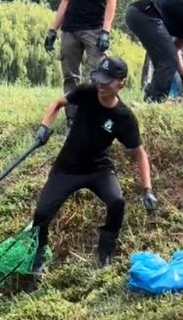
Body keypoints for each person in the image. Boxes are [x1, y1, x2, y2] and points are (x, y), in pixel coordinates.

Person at [26, 57, 158, 292]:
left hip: (99, 169)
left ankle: (104, 253)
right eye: (98, 78)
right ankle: (38, 258)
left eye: (107, 81)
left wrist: (147, 189)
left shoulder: (123, 117)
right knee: (41, 213)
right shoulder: (86, 92)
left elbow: (139, 154)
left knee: (117, 201)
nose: (101, 84)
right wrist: (44, 127)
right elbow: (57, 103)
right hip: (67, 167)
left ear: (121, 83)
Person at [44, 0, 120, 127]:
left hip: (94, 30)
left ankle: (94, 118)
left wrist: (106, 31)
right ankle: (73, 120)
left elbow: (112, 0)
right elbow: (65, 0)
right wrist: (53, 29)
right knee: (70, 77)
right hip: (70, 30)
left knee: (98, 77)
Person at [125, 0, 183, 103]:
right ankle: (154, 102)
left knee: (168, 60)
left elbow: (176, 49)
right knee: (167, 62)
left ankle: (152, 99)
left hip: (140, 13)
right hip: (145, 13)